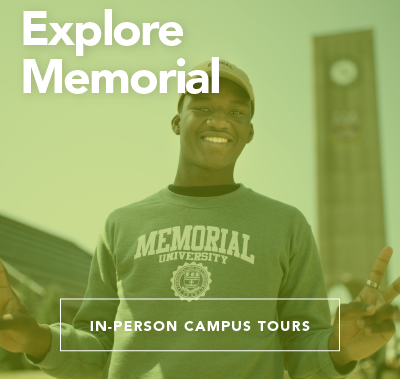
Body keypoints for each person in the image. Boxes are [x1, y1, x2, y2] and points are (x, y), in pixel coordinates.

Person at [0, 60, 399, 379]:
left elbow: (301, 352)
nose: (219, 120)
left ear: (249, 131)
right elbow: (96, 348)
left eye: (235, 112)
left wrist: (340, 349)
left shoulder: (286, 225)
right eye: (203, 107)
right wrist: (36, 338)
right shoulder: (121, 224)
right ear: (178, 122)